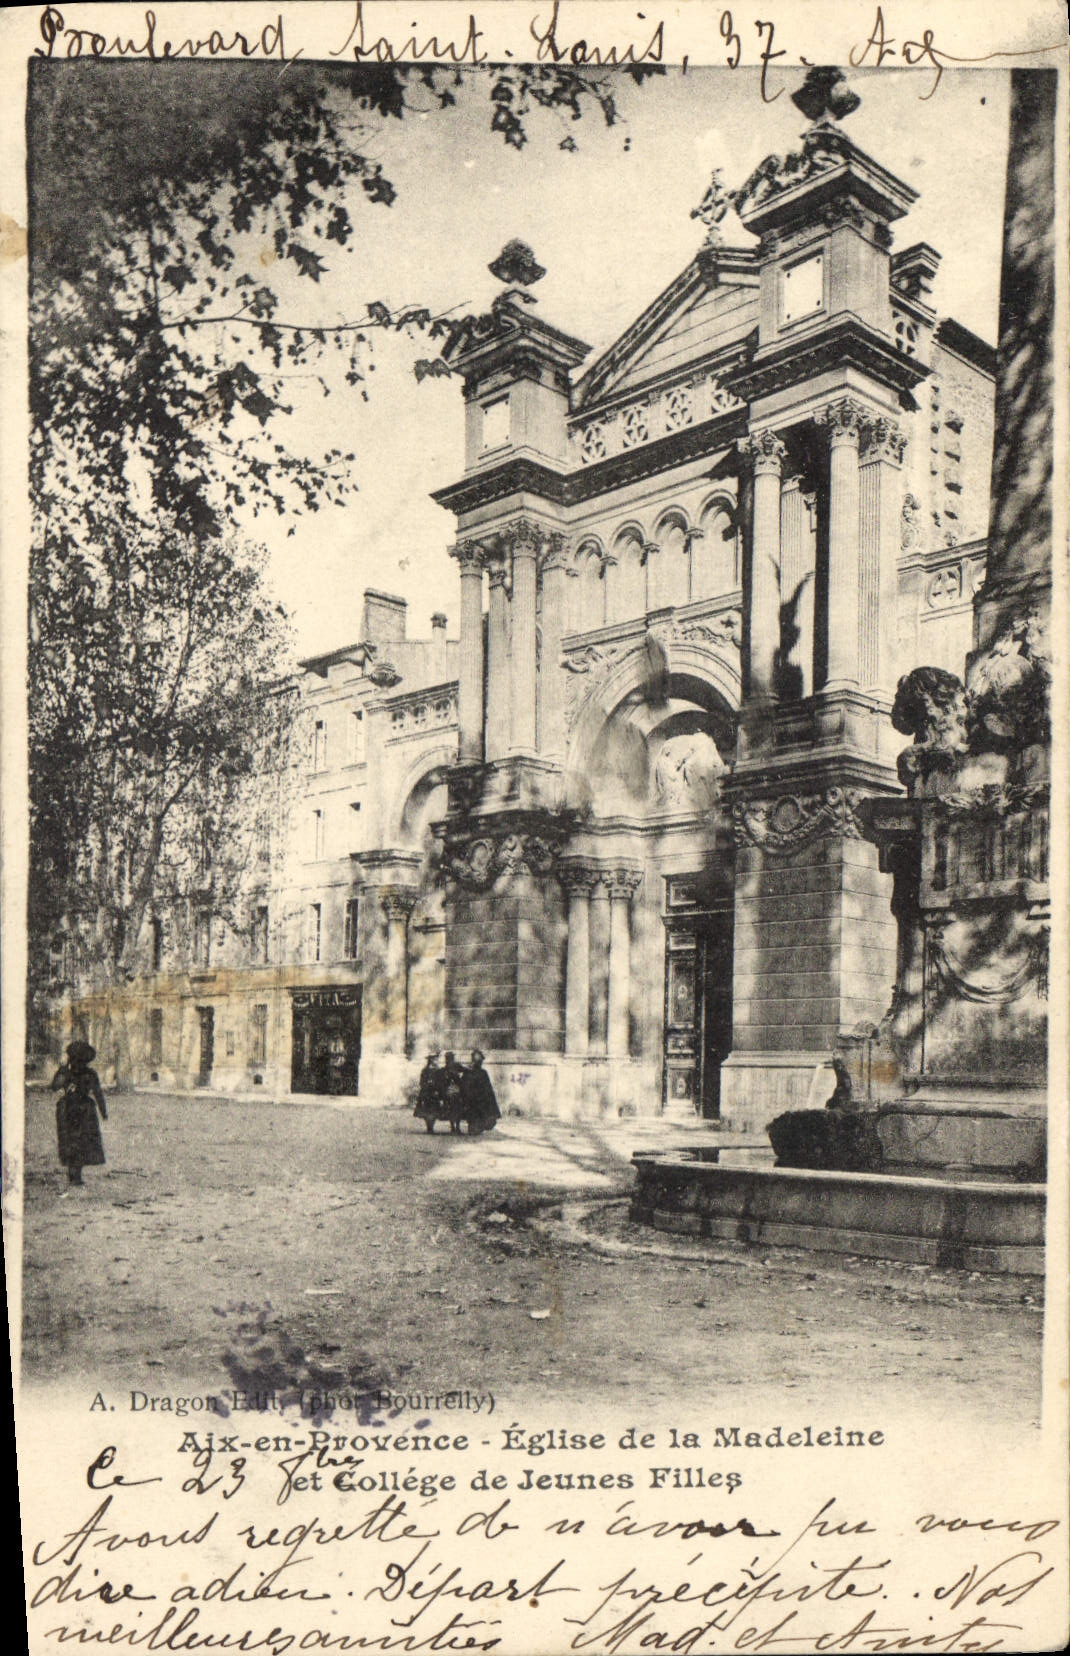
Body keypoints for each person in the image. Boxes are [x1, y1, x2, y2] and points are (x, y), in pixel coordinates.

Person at [51, 1040, 107, 1193]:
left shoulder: (66, 1072)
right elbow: (98, 1093)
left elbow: (54, 1086)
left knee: (73, 1142)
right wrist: (103, 1111)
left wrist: (63, 1072)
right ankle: (75, 1175)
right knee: (80, 1142)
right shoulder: (89, 1073)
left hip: (69, 1109)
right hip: (82, 1110)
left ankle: (74, 1174)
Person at [461, 1050, 500, 1136]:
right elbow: (464, 1085)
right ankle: (474, 1127)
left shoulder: (482, 1073)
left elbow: (488, 1088)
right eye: (479, 1061)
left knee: (480, 1114)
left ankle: (477, 1127)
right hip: (472, 1100)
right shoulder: (470, 1072)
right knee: (474, 1114)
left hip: (479, 1100)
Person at [413, 1050, 444, 1133]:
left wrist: (438, 1089)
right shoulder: (425, 1070)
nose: (436, 1061)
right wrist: (427, 1084)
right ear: (431, 1060)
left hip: (435, 1093)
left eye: (436, 1059)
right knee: (427, 1110)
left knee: (434, 1110)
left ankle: (431, 1125)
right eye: (435, 1059)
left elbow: (440, 1081)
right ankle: (429, 1127)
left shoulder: (438, 1070)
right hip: (427, 1093)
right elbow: (421, 1082)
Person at [442, 1052, 466, 1135]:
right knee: (454, 1108)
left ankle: (455, 1127)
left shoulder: (453, 1066)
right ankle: (455, 1127)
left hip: (455, 1090)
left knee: (454, 1108)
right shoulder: (447, 1068)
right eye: (449, 1058)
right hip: (453, 1091)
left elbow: (464, 1071)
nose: (449, 1060)